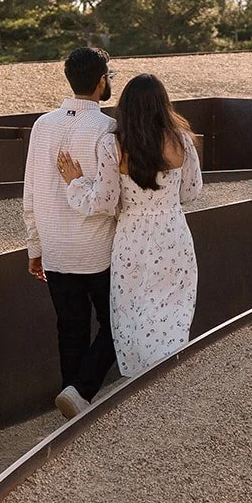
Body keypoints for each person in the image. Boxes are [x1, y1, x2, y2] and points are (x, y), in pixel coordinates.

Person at [57, 73, 203, 378]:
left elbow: (104, 200)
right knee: (172, 307)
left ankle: (140, 378)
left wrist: (75, 184)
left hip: (131, 238)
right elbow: (191, 192)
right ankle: (167, 372)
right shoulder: (182, 142)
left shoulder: (113, 144)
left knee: (132, 309)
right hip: (173, 236)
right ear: (163, 104)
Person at [22, 46, 119, 418]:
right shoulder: (107, 129)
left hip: (55, 248)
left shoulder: (42, 125)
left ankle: (72, 402)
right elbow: (109, 199)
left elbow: (30, 191)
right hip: (97, 249)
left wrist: (34, 246)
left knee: (71, 329)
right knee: (118, 323)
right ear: (101, 81)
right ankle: (81, 390)